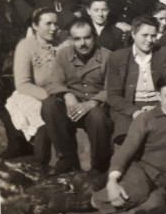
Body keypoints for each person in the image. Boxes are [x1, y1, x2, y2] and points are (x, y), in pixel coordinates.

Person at [91, 75, 166, 214]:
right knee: (136, 192)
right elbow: (126, 150)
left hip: (165, 181)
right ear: (159, 96)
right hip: (142, 172)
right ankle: (93, 199)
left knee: (156, 205)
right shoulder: (146, 118)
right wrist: (112, 181)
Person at [41, 18, 113, 174]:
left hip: (95, 107)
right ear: (71, 40)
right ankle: (67, 159)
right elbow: (52, 81)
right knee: (49, 105)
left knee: (98, 117)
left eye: (87, 38)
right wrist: (67, 94)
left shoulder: (108, 57)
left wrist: (92, 103)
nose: (83, 43)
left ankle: (99, 167)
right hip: (72, 107)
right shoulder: (63, 54)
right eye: (77, 39)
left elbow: (112, 89)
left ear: (94, 37)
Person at [6, 7, 71, 164]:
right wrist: (47, 96)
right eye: (48, 24)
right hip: (34, 93)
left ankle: (60, 161)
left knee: (54, 108)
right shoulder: (26, 46)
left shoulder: (65, 43)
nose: (53, 28)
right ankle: (43, 162)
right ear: (35, 26)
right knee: (44, 112)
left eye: (56, 24)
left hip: (63, 91)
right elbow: (23, 84)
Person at [105, 16, 166, 142]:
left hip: (161, 105)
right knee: (127, 139)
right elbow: (113, 95)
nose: (149, 40)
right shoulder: (118, 57)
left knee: (163, 137)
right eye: (145, 35)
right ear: (133, 34)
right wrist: (134, 112)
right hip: (129, 107)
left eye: (153, 36)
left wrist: (159, 107)